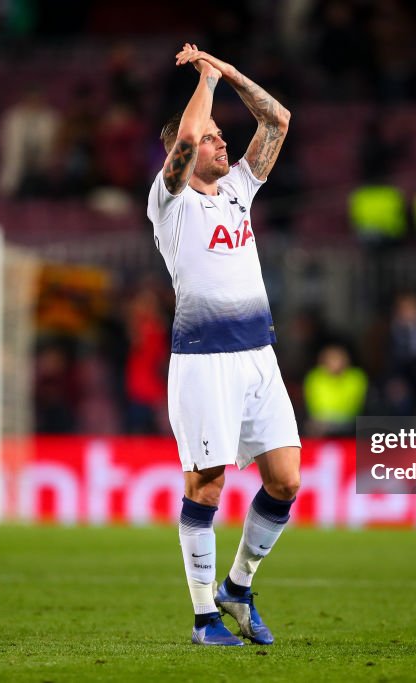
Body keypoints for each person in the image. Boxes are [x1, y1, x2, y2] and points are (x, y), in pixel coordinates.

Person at [147, 44, 300, 647]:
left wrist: (231, 71)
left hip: (258, 356)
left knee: (285, 480)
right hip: (203, 361)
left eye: (219, 137)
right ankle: (204, 617)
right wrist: (206, 80)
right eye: (212, 138)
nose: (221, 144)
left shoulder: (240, 188)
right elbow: (185, 136)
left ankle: (237, 587)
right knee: (207, 484)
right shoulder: (171, 201)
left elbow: (278, 120)